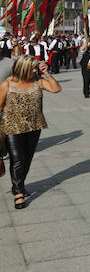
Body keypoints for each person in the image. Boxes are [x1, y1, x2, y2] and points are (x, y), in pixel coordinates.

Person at [0, 55, 61, 208]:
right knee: (17, 159)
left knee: (27, 158)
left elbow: (56, 89)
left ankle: (18, 184)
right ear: (23, 68)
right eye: (32, 68)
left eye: (36, 67)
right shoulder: (7, 84)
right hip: (12, 126)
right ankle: (19, 192)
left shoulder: (38, 82)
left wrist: (47, 73)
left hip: (34, 126)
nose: (35, 70)